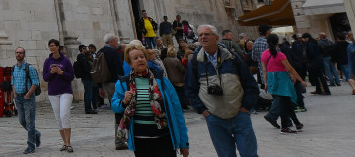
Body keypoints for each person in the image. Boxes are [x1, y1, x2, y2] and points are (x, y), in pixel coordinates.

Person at [185, 24, 259, 157]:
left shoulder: (232, 57)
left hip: (239, 115)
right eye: (200, 35)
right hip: (215, 118)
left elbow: (250, 83)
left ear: (216, 38)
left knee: (249, 154)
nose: (203, 37)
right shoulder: (195, 62)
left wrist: (246, 107)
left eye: (207, 34)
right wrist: (203, 111)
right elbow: (190, 89)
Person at [112, 40, 190, 156]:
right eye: (135, 58)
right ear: (130, 63)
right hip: (140, 138)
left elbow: (177, 112)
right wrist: (124, 102)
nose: (140, 60)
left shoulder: (162, 81)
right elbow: (115, 106)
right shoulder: (123, 84)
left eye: (142, 56)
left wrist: (184, 142)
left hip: (164, 137)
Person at [260, 33, 305, 134]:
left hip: (272, 80)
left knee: (287, 103)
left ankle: (297, 123)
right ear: (277, 43)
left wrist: (266, 84)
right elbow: (290, 69)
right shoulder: (280, 55)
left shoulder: (264, 54)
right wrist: (301, 80)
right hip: (282, 80)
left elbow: (264, 70)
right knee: (284, 104)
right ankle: (284, 127)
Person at [43, 39, 75, 152]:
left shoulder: (66, 61)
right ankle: (65, 143)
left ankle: (69, 143)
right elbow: (45, 78)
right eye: (50, 46)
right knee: (58, 119)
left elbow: (71, 76)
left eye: (53, 45)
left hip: (65, 91)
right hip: (53, 92)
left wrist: (62, 73)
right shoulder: (47, 61)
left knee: (64, 115)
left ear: (58, 47)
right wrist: (51, 72)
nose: (52, 47)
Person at [99, 34, 128, 150]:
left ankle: (121, 139)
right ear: (111, 41)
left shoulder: (100, 51)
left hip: (105, 83)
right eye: (116, 41)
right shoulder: (113, 53)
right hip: (115, 83)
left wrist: (99, 87)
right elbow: (119, 70)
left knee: (118, 110)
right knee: (120, 111)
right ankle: (119, 140)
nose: (117, 43)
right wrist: (124, 84)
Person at [12, 46, 42, 154]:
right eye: (17, 52)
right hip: (18, 98)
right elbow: (13, 82)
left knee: (30, 122)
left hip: (27, 98)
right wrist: (14, 93)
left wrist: (28, 95)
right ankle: (36, 134)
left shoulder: (30, 68)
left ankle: (30, 145)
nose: (18, 54)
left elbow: (35, 83)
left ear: (24, 55)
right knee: (22, 121)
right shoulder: (14, 68)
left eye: (21, 53)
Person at [279, 40, 307, 112]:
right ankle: (302, 106)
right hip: (294, 70)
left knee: (291, 91)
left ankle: (294, 107)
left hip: (288, 72)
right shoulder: (289, 50)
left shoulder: (281, 52)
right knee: (297, 90)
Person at [75, 45, 97, 114]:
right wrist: (90, 73)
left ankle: (88, 108)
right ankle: (88, 109)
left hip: (87, 77)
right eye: (85, 48)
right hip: (87, 77)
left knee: (88, 93)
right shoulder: (82, 57)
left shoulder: (83, 57)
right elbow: (86, 68)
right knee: (88, 93)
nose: (87, 50)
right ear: (82, 49)